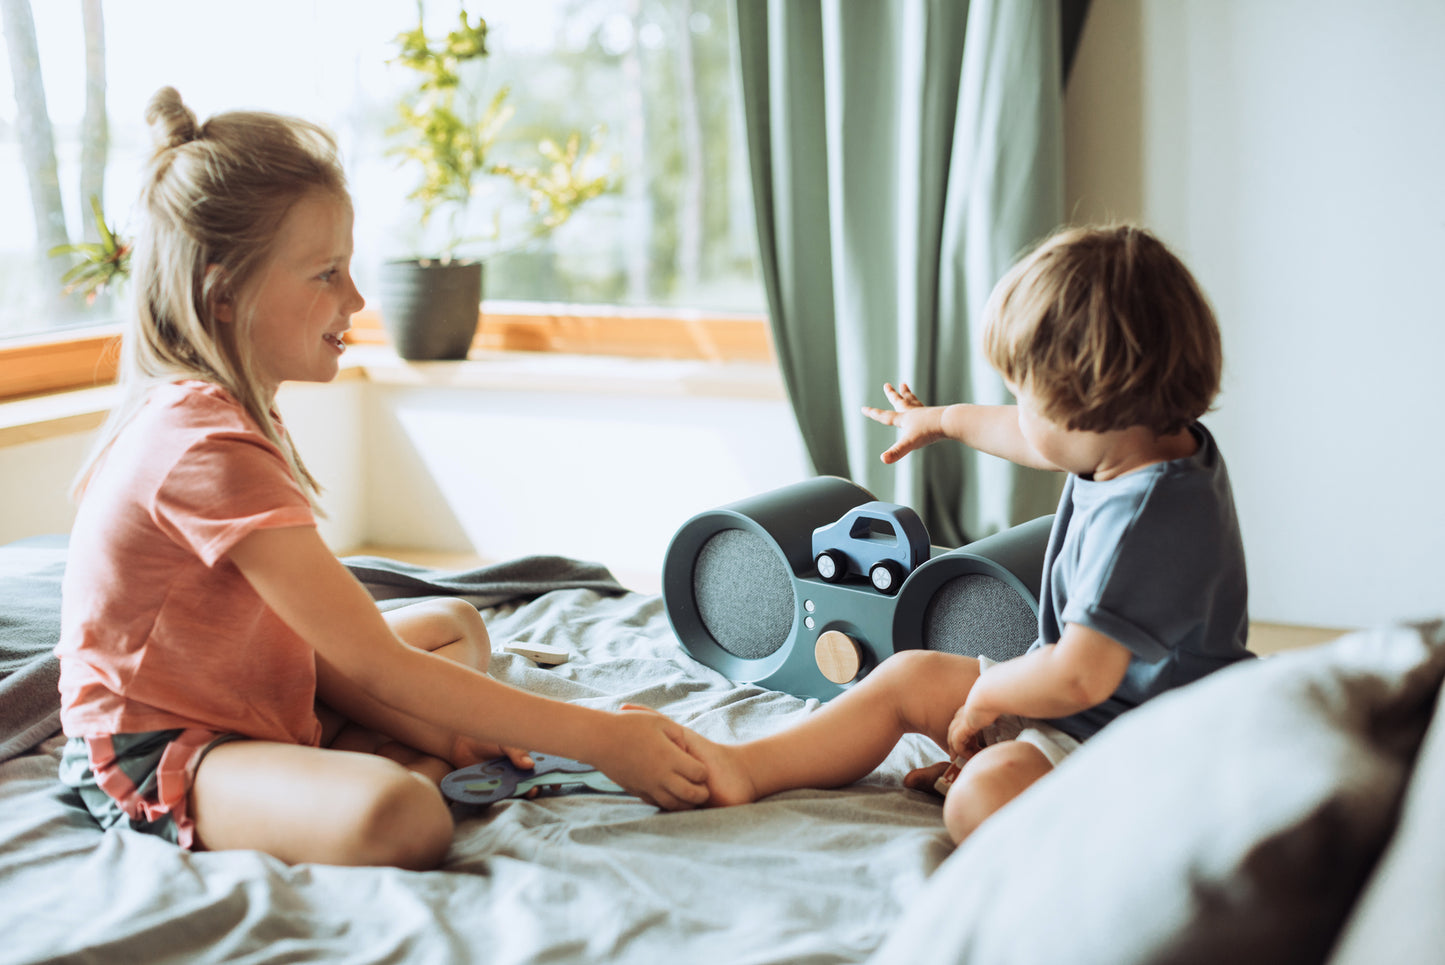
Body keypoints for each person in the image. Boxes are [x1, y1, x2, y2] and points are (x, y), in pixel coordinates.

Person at [54, 88, 707, 871]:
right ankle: (404, 766)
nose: (356, 299)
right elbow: (371, 660)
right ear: (223, 294)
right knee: (402, 817)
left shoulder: (234, 409)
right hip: (170, 743)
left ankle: (393, 753)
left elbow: (331, 640)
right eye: (326, 273)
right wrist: (601, 735)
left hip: (255, 683)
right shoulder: (198, 441)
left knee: (456, 624)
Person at [687, 224, 1252, 844]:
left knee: (978, 802)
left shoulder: (1142, 517)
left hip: (1136, 739)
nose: (1018, 412)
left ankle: (1095, 823)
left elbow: (1077, 678)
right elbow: (1030, 434)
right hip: (1084, 700)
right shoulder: (1142, 440)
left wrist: (988, 695)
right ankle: (749, 766)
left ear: (1088, 407)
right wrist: (942, 420)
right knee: (908, 676)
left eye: (1025, 395)